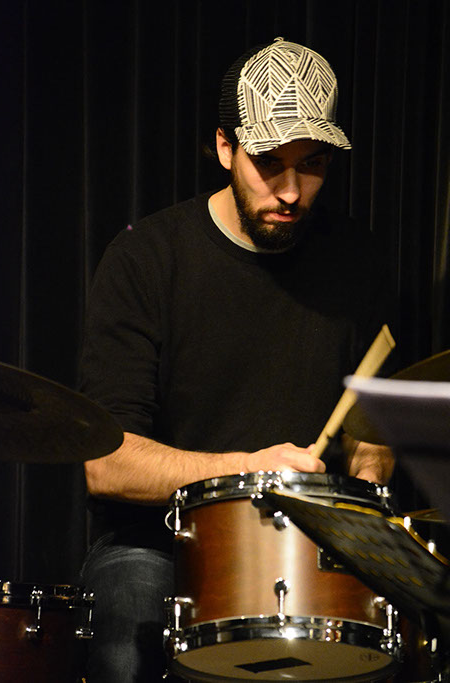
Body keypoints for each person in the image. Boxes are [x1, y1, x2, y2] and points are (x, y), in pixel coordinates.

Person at [79, 37, 394, 682]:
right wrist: (250, 470)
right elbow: (107, 465)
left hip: (310, 540)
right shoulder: (146, 259)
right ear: (225, 147)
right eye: (268, 163)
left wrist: (365, 491)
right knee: (127, 607)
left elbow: (373, 433)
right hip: (165, 540)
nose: (291, 191)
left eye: (311, 165)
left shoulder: (356, 261)